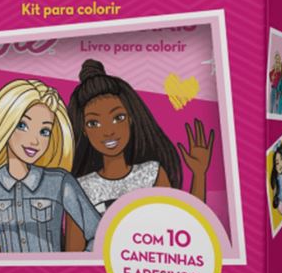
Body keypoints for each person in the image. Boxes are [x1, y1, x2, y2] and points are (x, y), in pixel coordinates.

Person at [0, 78, 100, 253]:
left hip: (51, 271)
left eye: (44, 131)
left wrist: (79, 264)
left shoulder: (59, 182)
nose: (34, 141)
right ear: (4, 124)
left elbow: (99, 233)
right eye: (22, 125)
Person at [67, 60, 214, 220]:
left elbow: (179, 223)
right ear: (84, 130)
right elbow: (74, 237)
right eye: (94, 123)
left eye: (118, 118)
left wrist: (199, 174)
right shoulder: (80, 188)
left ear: (131, 119)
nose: (108, 131)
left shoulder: (151, 173)